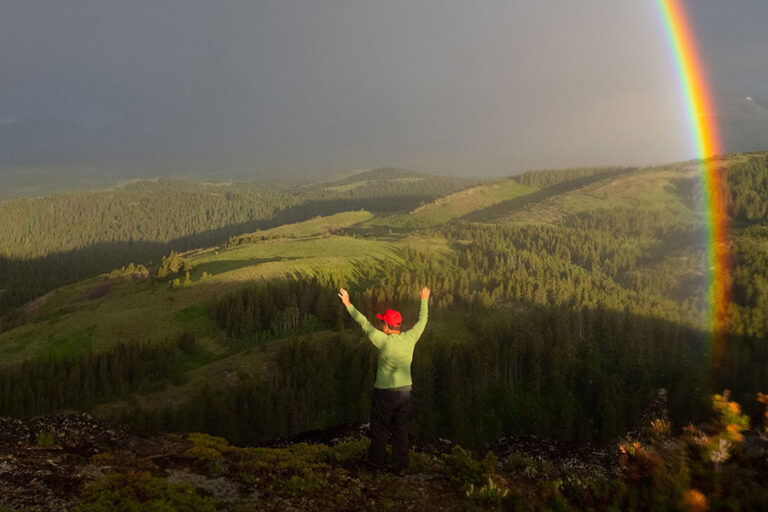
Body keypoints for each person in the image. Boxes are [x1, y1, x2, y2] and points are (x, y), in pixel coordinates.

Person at [338, 286, 430, 475]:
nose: (381, 326)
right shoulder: (410, 338)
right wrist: (424, 300)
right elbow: (422, 321)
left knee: (380, 430)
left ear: (387, 327)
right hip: (405, 392)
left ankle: (375, 467)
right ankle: (402, 466)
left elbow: (363, 322)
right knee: (400, 429)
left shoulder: (382, 340)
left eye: (383, 324)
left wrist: (348, 303)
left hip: (385, 393)